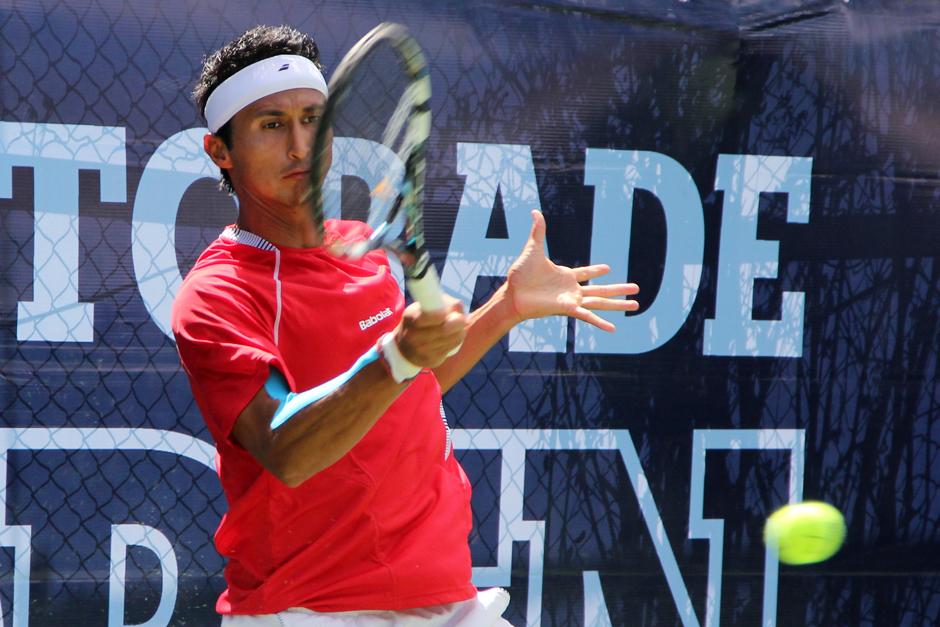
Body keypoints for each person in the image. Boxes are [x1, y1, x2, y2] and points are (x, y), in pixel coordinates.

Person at [172, 24, 639, 627]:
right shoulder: (217, 295)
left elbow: (410, 385)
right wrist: (394, 357)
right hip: (313, 609)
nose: (299, 145)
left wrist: (506, 308)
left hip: (448, 595)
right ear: (220, 151)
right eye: (271, 125)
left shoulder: (365, 248)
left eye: (314, 119)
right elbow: (284, 448)